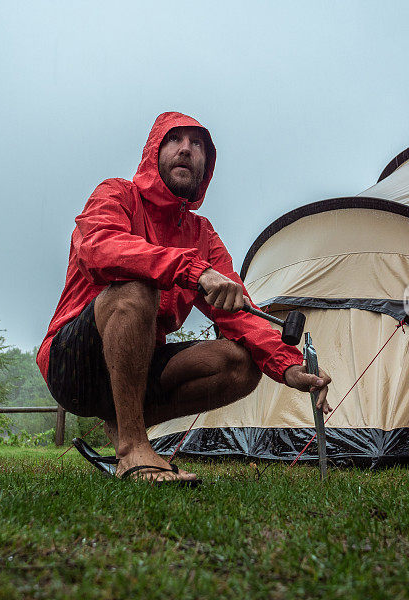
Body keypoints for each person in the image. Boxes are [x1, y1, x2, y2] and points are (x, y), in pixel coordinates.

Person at [37, 112, 331, 484]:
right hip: (73, 363)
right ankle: (132, 450)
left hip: (137, 365)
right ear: (153, 152)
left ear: (206, 167)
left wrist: (291, 366)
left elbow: (240, 312)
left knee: (240, 364)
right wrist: (193, 271)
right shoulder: (115, 194)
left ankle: (123, 422)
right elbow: (97, 249)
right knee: (137, 284)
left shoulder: (202, 234)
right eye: (175, 139)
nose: (187, 150)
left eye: (198, 145)